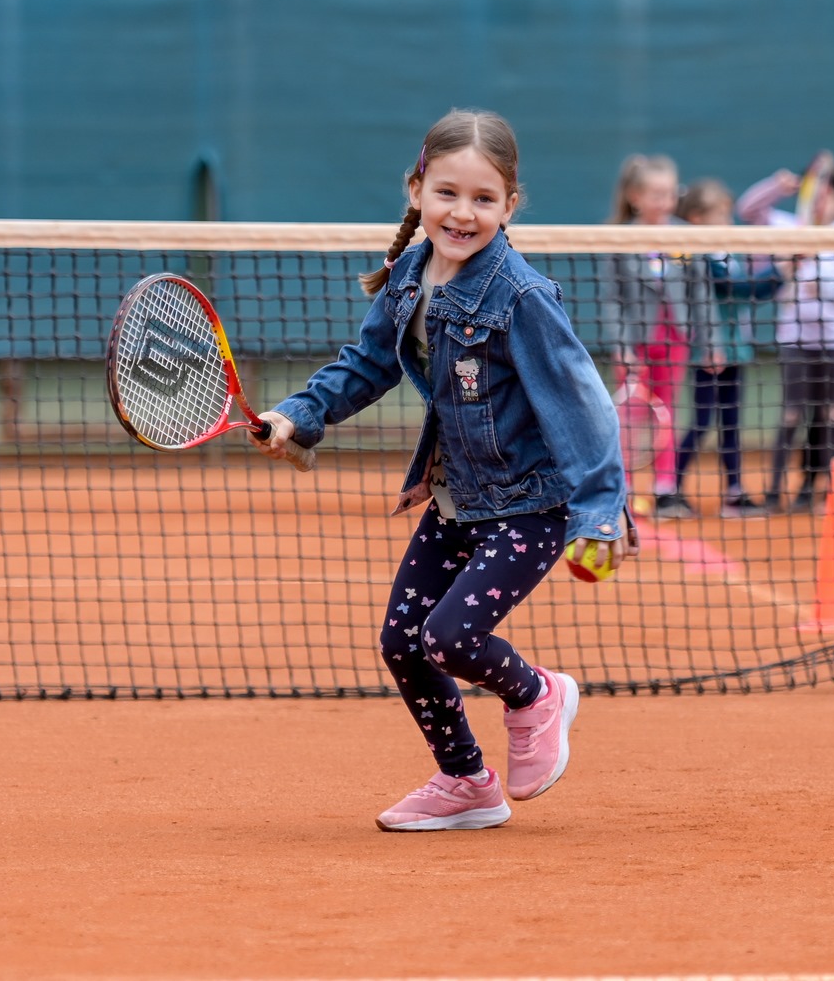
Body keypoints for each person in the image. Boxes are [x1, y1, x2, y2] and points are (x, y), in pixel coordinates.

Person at [251, 109, 629, 831]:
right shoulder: (406, 278)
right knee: (403, 641)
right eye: (447, 193)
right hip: (458, 494)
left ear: (510, 205)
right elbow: (367, 365)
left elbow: (583, 406)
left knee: (450, 638)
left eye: (484, 199)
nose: (463, 213)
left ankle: (537, 695)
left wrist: (599, 512)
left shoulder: (521, 298)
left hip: (530, 502)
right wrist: (300, 415)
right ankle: (467, 783)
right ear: (416, 189)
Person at [738, 160, 834, 512]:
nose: (822, 201)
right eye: (816, 194)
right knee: (791, 416)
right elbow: (748, 209)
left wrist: (822, 281)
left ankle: (820, 492)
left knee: (831, 417)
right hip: (794, 342)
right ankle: (773, 494)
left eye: (829, 195)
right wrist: (778, 184)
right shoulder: (789, 227)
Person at [602, 154, 708, 520]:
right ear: (635, 196)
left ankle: (666, 490)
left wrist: (708, 342)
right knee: (630, 417)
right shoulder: (619, 237)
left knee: (667, 412)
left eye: (669, 193)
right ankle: (624, 491)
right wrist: (621, 346)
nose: (664, 201)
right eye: (656, 194)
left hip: (674, 338)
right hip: (635, 343)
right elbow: (611, 299)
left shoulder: (684, 235)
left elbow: (700, 292)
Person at [672, 178, 782, 517]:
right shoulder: (699, 258)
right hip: (708, 353)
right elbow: (738, 288)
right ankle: (671, 487)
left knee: (732, 424)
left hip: (736, 352)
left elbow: (752, 290)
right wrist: (779, 271)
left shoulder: (729, 254)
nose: (728, 221)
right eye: (720, 214)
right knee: (703, 421)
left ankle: (734, 492)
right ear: (697, 219)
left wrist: (781, 272)